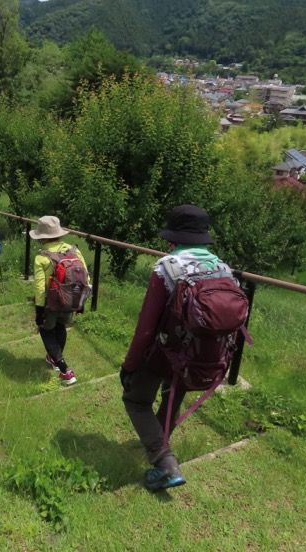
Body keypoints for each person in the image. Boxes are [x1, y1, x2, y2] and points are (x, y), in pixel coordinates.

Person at [120, 204, 229, 492]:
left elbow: (146, 328)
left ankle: (165, 462)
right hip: (203, 355)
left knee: (136, 400)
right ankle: (160, 444)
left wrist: (129, 366)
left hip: (166, 352)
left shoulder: (167, 267)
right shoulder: (223, 268)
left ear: (173, 239)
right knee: (172, 395)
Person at [30, 216, 86, 386]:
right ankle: (53, 358)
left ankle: (65, 371)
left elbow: (40, 288)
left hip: (51, 302)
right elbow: (85, 277)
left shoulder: (42, 258)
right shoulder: (74, 250)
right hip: (71, 299)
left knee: (46, 331)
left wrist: (39, 311)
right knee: (61, 327)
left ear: (43, 237)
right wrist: (82, 302)